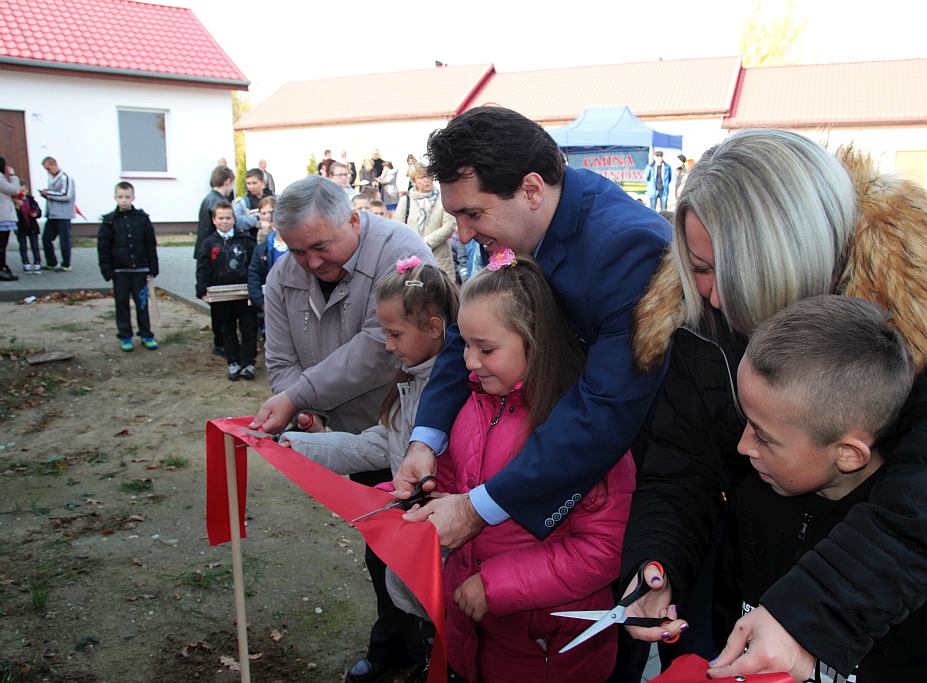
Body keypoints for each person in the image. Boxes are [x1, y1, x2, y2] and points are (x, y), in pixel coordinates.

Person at [621, 129, 927, 682]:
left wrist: (810, 613)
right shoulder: (702, 327)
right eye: (699, 268)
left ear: (792, 256)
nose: (715, 296)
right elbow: (681, 468)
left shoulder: (921, 332)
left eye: (732, 274)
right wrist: (657, 562)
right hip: (754, 600)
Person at [393, 106, 669, 553]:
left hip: (627, 478)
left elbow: (605, 407)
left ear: (531, 189)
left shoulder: (626, 249)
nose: (462, 235)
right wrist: (425, 440)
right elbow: (468, 333)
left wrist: (476, 508)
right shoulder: (510, 229)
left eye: (472, 215)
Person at [715, 294, 927, 681]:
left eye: (764, 437)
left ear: (849, 454)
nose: (743, 446)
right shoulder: (755, 498)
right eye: (745, 421)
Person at [246, 175, 434, 683]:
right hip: (352, 435)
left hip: (418, 432)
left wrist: (297, 397)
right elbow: (282, 359)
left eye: (320, 247)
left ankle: (421, 648)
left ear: (353, 219)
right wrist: (302, 412)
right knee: (380, 544)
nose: (309, 263)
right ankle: (402, 647)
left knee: (422, 546)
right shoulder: (284, 275)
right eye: (296, 250)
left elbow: (377, 351)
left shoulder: (402, 251)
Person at [438, 252, 636, 682]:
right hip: (476, 638)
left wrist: (494, 586)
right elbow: (454, 485)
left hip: (550, 652)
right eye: (466, 345)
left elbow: (601, 549)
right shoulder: (471, 405)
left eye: (485, 348)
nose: (469, 362)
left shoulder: (581, 434)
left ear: (535, 340)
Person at [280, 260, 459, 679]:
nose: (386, 345)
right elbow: (374, 445)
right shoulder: (408, 385)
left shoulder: (455, 395)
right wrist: (297, 445)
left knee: (446, 621)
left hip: (442, 548)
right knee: (420, 615)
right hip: (414, 544)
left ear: (434, 328)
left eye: (395, 334)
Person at [196, 202, 257, 381]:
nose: (225, 221)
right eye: (221, 218)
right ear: (214, 220)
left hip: (244, 295)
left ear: (234, 219)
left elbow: (254, 267)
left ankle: (248, 363)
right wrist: (202, 290)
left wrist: (255, 289)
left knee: (249, 329)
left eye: (228, 218)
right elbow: (203, 268)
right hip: (221, 296)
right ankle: (233, 362)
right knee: (226, 329)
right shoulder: (208, 243)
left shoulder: (246, 241)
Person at [97, 182, 160, 352]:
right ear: (115, 198)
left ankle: (146, 334)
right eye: (120, 197)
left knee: (142, 303)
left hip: (140, 269)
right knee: (122, 304)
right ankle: (125, 335)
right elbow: (103, 247)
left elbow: (150, 244)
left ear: (133, 197)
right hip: (120, 271)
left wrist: (153, 267)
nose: (124, 200)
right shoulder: (110, 221)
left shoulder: (142, 219)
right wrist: (107, 269)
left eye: (127, 197)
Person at [196, 165, 237, 356]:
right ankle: (220, 341)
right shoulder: (217, 201)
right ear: (227, 182)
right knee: (218, 307)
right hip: (214, 255)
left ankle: (221, 339)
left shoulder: (208, 199)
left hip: (213, 253)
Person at [394, 162, 458, 279]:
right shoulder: (406, 200)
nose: (427, 180)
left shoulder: (443, 199)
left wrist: (426, 243)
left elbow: (449, 225)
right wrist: (416, 244)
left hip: (440, 258)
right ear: (414, 181)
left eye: (429, 176)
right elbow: (399, 227)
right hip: (413, 258)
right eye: (422, 177)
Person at [247, 197, 287, 340]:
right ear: (273, 225)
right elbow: (253, 277)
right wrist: (261, 303)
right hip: (270, 304)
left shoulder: (298, 249)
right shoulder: (262, 250)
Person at [39, 156, 76, 272]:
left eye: (49, 169)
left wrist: (48, 194)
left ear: (55, 164)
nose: (48, 171)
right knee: (46, 239)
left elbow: (66, 195)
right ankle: (51, 262)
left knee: (64, 240)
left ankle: (66, 264)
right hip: (52, 214)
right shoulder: (51, 178)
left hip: (63, 215)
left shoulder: (66, 178)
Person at [234, 168, 276, 237]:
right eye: (248, 184)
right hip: (252, 237)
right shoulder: (243, 202)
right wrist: (257, 218)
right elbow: (237, 221)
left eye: (254, 183)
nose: (251, 187)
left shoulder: (275, 198)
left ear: (263, 182)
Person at [14, 181, 42, 273]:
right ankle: (26, 263)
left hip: (32, 227)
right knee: (23, 246)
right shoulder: (15, 202)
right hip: (21, 228)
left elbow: (39, 212)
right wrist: (17, 206)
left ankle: (37, 263)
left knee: (35, 246)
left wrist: (36, 214)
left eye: (24, 191)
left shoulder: (32, 201)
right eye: (20, 191)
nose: (22, 193)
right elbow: (14, 215)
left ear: (27, 191)